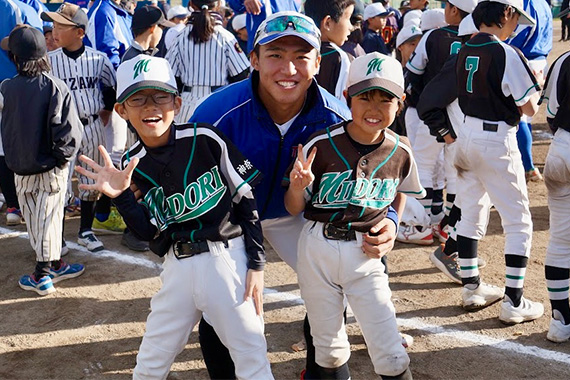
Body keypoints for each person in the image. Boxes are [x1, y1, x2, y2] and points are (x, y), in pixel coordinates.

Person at [190, 11, 401, 379]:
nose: (288, 68)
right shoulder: (215, 114)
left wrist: (392, 222)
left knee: (338, 276)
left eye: (301, 56)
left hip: (299, 213)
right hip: (232, 219)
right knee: (222, 300)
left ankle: (318, 371)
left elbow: (386, 175)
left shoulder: (337, 119)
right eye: (275, 55)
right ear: (253, 59)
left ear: (318, 63)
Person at [76, 54, 273, 380]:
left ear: (177, 103)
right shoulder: (131, 163)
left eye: (160, 96)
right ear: (122, 110)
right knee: (149, 365)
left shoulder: (205, 138)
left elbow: (246, 201)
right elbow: (147, 232)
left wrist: (257, 264)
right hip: (176, 268)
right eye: (137, 99)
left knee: (252, 361)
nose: (151, 106)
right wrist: (122, 196)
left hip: (225, 261)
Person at [284, 52, 421, 380]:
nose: (374, 108)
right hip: (318, 246)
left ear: (400, 103)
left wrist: (391, 222)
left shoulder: (400, 150)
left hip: (366, 252)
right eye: (365, 97)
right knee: (328, 350)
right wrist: (297, 187)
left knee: (390, 351)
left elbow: (400, 190)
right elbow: (294, 208)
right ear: (347, 98)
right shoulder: (320, 144)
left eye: (385, 99)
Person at [453, 0, 543, 323]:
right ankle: (513, 302)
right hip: (496, 139)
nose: (516, 24)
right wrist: (536, 86)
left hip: (466, 135)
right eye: (516, 17)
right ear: (506, 12)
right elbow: (530, 108)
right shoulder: (506, 52)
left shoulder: (464, 48)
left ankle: (471, 287)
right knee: (519, 222)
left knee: (471, 211)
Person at [0, 25, 84, 295]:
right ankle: (48, 268)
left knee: (38, 219)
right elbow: (70, 133)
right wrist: (60, 160)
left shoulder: (7, 88)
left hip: (21, 168)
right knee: (49, 217)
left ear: (15, 58)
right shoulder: (55, 86)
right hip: (51, 167)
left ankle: (44, 272)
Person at [42, 3, 117, 252]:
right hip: (62, 129)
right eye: (53, 25)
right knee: (60, 183)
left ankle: (85, 230)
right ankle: (58, 235)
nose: (54, 31)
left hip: (91, 125)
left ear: (80, 32)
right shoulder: (50, 61)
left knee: (91, 180)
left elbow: (110, 88)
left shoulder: (99, 59)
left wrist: (104, 111)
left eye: (61, 26)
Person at [405, 0, 476, 243]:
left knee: (423, 166)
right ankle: (448, 225)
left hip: (433, 113)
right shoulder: (479, 37)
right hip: (464, 117)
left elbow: (413, 72)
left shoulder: (434, 36)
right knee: (454, 171)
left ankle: (422, 224)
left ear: (454, 10)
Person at [165, 0, 250, 123]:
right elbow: (241, 75)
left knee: (189, 142)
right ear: (218, 5)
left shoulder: (180, 37)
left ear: (191, 5)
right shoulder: (226, 36)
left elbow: (171, 77)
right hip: (220, 102)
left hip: (187, 103)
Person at [540, 49, 570, 342]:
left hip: (562, 146)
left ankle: (560, 321)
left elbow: (550, 113)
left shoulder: (564, 59)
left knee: (561, 241)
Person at [508, 0, 553, 182]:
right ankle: (529, 166)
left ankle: (527, 166)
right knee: (526, 116)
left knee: (519, 118)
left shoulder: (525, 3)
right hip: (538, 60)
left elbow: (515, 34)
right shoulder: (542, 3)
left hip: (524, 60)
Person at [305, 0, 355, 103]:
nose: (351, 27)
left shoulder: (302, 49)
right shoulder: (340, 57)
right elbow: (341, 104)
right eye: (348, 18)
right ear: (327, 23)